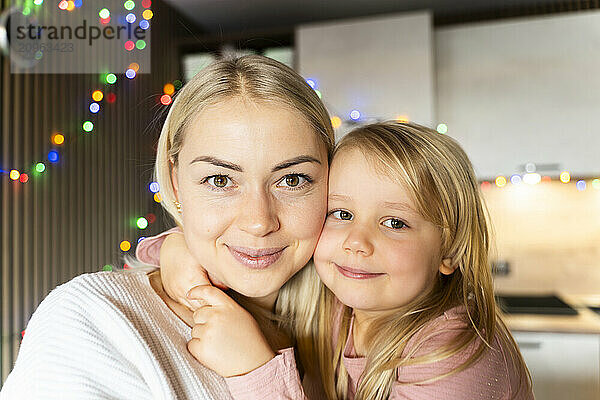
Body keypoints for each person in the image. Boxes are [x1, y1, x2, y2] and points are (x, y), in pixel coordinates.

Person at [0, 54, 335, 399]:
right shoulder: (94, 320)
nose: (258, 221)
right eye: (220, 180)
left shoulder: (356, 322)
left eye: (292, 179)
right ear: (176, 185)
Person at [138, 122, 535, 399]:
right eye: (340, 214)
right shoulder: (331, 298)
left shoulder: (455, 353)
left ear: (449, 250)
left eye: (395, 222)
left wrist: (255, 371)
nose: (356, 243)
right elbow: (216, 251)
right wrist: (178, 251)